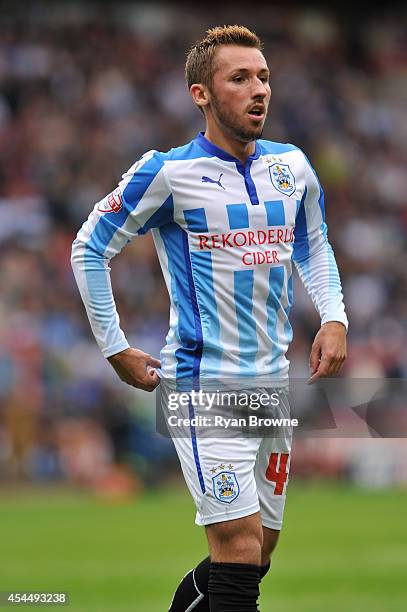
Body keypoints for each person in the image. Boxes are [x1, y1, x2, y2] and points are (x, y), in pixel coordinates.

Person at [71, 25, 347, 612]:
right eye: (240, 78)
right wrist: (115, 345)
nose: (259, 90)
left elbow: (313, 243)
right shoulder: (168, 173)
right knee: (239, 548)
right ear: (201, 93)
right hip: (204, 387)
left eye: (264, 77)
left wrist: (334, 317)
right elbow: (89, 248)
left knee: (258, 553)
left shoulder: (292, 166)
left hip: (274, 388)